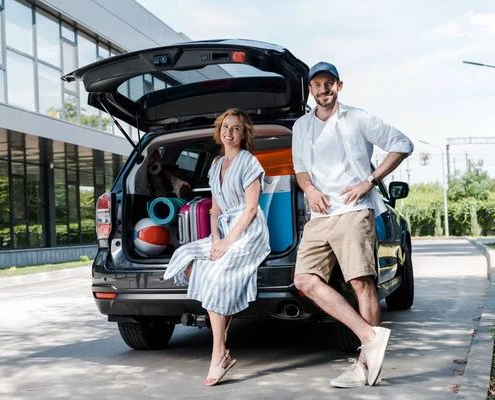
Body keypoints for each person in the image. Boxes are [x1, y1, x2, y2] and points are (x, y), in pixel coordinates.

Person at [291, 62, 413, 388]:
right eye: (316, 84)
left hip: (353, 209)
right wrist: (310, 189)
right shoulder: (301, 127)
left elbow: (402, 144)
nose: (323, 89)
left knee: (361, 283)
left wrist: (370, 181)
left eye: (328, 83)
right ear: (310, 89)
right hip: (319, 215)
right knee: (303, 280)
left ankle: (366, 366)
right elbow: (300, 169)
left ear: (339, 86)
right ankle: (370, 337)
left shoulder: (357, 118)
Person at [163, 108, 271, 386]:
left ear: (243, 133)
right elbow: (215, 209)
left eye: (236, 128)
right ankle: (223, 311)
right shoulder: (215, 165)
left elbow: (250, 209)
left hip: (248, 231)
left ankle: (218, 353)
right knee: (185, 254)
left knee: (214, 274)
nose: (229, 132)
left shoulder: (249, 162)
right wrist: (214, 238)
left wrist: (227, 242)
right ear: (219, 131)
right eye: (225, 127)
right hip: (223, 228)